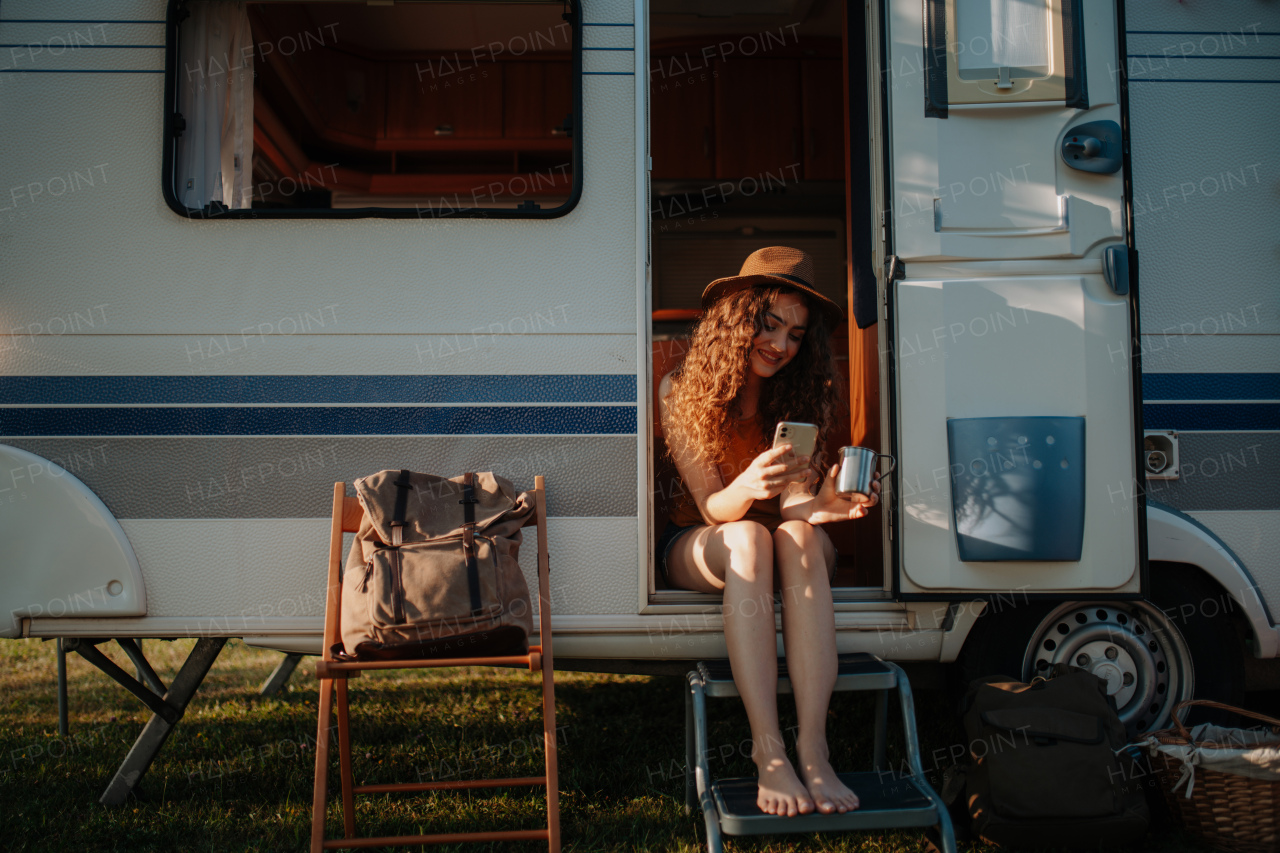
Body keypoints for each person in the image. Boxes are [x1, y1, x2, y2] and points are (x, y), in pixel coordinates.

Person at [657, 246, 880, 818]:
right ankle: (768, 751)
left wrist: (824, 505)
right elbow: (713, 508)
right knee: (749, 539)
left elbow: (794, 510)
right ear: (738, 318)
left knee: (797, 538)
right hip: (706, 538)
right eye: (770, 323)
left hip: (778, 540)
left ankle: (813, 745)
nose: (781, 345)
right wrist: (753, 482)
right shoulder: (682, 389)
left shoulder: (802, 396)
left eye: (797, 334)